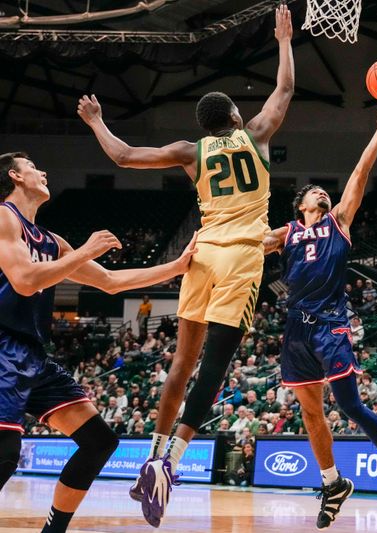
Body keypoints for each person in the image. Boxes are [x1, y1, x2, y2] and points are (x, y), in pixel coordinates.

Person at [78, 6, 296, 527]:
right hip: (243, 253)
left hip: (199, 256)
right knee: (216, 366)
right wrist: (284, 41)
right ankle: (171, 465)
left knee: (182, 361)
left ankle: (151, 457)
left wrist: (96, 121)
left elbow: (125, 157)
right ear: (237, 120)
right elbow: (283, 92)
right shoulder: (257, 136)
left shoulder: (189, 151)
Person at [0, 152, 198, 533]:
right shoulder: (4, 217)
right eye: (32, 167)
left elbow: (110, 282)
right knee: (5, 455)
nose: (42, 171)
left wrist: (175, 267)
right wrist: (86, 251)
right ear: (15, 176)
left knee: (98, 441)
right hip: (4, 348)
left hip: (34, 357)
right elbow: (25, 280)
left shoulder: (52, 241)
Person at [261, 101, 377, 528]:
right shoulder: (285, 233)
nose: (322, 194)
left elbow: (360, 173)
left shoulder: (339, 221)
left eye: (323, 192)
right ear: (301, 206)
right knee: (311, 413)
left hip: (330, 324)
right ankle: (332, 482)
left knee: (349, 404)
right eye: (315, 192)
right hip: (295, 329)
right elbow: (246, 244)